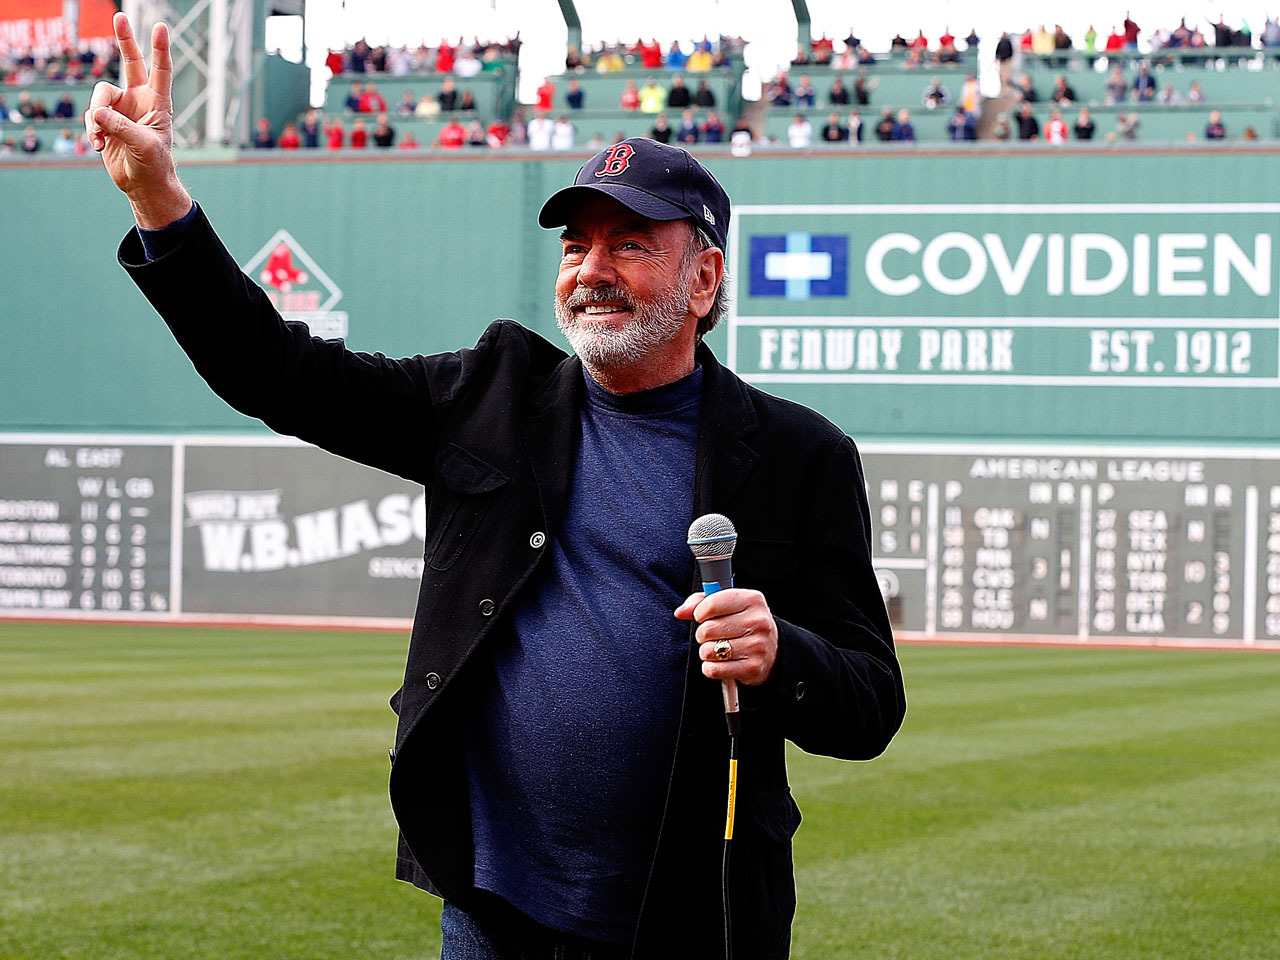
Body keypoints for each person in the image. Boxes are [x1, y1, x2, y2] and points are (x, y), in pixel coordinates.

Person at [85, 14, 903, 959]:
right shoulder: (490, 395)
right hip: (492, 909)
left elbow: (871, 703)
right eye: (576, 246)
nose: (591, 270)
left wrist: (781, 652)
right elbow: (276, 373)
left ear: (705, 278)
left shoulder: (802, 456)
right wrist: (160, 201)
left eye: (630, 244)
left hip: (686, 918)